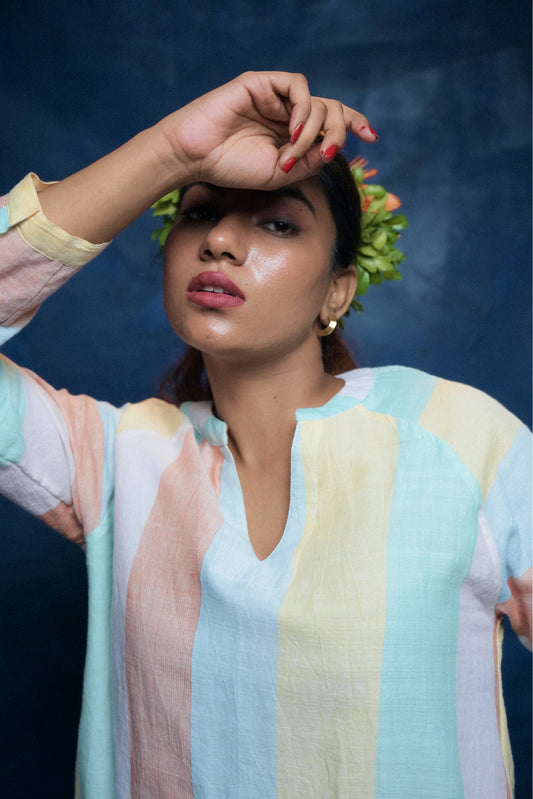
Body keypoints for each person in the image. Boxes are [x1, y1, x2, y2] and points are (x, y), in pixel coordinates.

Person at [0, 71, 530, 799]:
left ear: (337, 289)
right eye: (197, 214)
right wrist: (171, 151)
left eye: (278, 224)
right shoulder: (116, 458)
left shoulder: (461, 438)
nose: (219, 241)